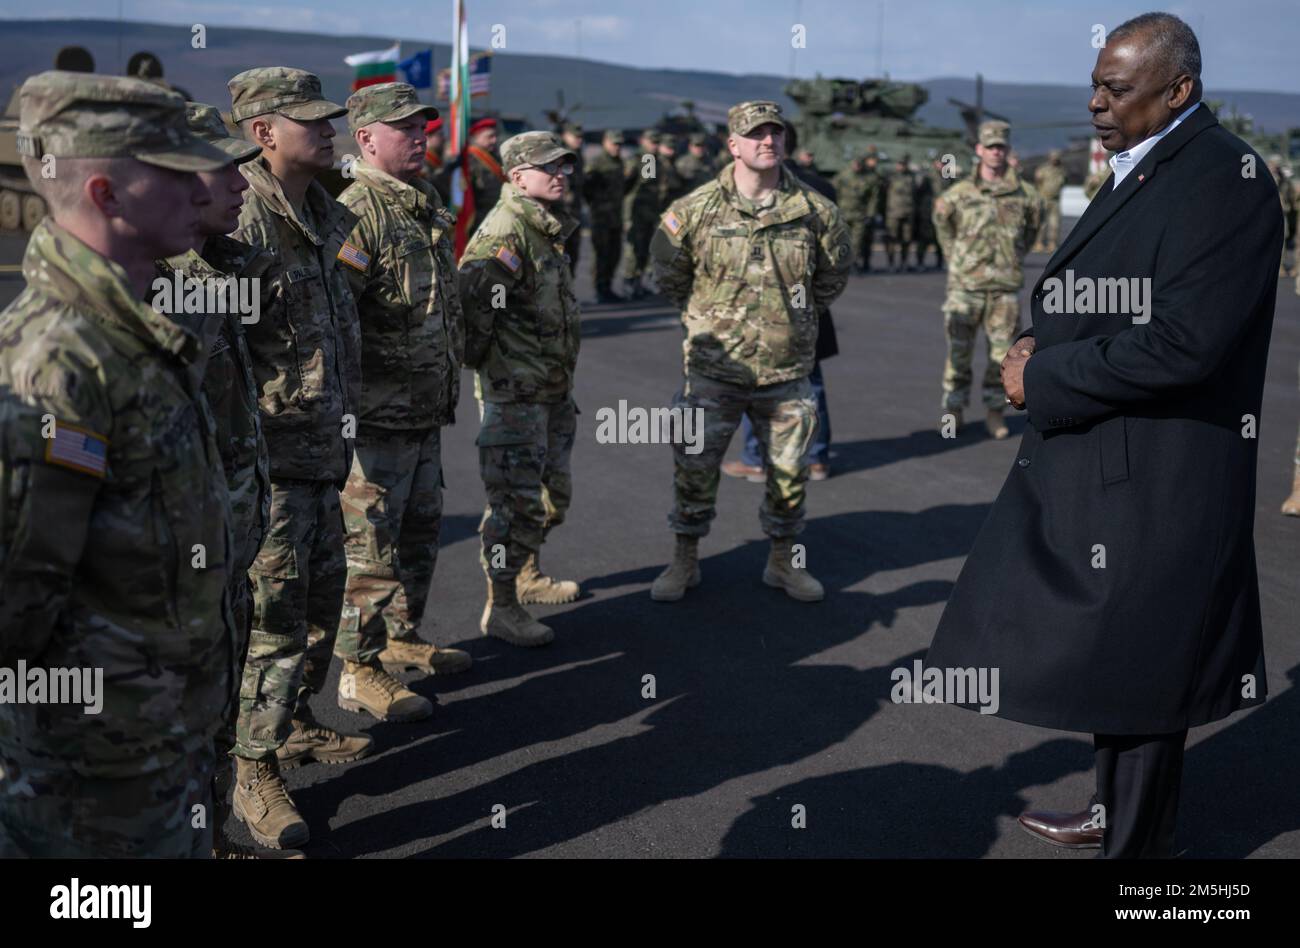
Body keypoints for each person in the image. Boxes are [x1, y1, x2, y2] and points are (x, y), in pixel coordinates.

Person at [926, 12, 1283, 859]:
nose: (1095, 102)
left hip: (1161, 468)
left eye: (1115, 88)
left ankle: (1136, 852)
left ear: (1179, 89)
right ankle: (1111, 807)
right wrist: (1035, 342)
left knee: (1147, 662)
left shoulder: (1223, 179)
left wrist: (1038, 378)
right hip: (1106, 451)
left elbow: (1186, 343)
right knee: (1116, 654)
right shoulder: (1155, 164)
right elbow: (1115, 293)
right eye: (1095, 83)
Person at [0, 71, 238, 858]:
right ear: (106, 193)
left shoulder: (133, 323)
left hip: (165, 744)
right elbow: (17, 608)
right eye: (174, 171)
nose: (198, 189)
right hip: (94, 782)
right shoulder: (59, 361)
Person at [227, 66, 371, 850]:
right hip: (273, 465)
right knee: (272, 625)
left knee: (320, 611)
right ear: (262, 132)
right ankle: (252, 771)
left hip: (329, 451)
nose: (329, 130)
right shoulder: (238, 223)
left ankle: (293, 724)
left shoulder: (329, 214)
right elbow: (215, 351)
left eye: (330, 118)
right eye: (310, 120)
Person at [153, 102, 287, 858]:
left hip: (228, 534)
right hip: (173, 561)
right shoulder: (156, 285)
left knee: (216, 701)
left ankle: (209, 837)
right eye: (222, 167)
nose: (244, 182)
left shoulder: (222, 267)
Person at [649, 101, 849, 603]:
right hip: (714, 372)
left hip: (786, 373)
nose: (767, 142)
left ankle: (782, 563)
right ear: (732, 145)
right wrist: (710, 319)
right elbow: (670, 276)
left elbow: (832, 276)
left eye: (775, 134)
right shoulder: (692, 210)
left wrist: (791, 321)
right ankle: (685, 560)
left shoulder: (815, 211)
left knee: (789, 478)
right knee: (693, 468)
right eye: (754, 134)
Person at [334, 82, 473, 727]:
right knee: (370, 552)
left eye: (424, 126)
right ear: (366, 138)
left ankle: (399, 638)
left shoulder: (420, 202)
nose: (421, 136)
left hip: (423, 411)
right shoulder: (357, 210)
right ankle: (358, 672)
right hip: (377, 417)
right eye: (405, 128)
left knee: (418, 537)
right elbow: (338, 320)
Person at [459, 131, 583, 647]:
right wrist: (504, 372)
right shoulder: (505, 233)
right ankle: (502, 605)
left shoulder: (543, 228)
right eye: (547, 166)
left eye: (564, 166)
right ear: (516, 176)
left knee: (553, 497)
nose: (560, 174)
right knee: (513, 506)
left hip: (551, 390)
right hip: (516, 396)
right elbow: (472, 318)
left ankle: (526, 575)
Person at [725, 120, 839, 482]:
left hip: (761, 309)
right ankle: (816, 457)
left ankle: (756, 458)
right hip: (805, 307)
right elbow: (836, 259)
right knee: (809, 385)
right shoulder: (821, 189)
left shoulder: (737, 192)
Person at [932, 120, 1041, 439]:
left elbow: (1032, 230)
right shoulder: (958, 194)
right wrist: (957, 259)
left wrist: (1013, 258)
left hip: (1004, 290)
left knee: (1001, 358)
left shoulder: (1026, 195)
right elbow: (942, 226)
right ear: (979, 150)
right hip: (965, 289)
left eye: (1001, 147)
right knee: (958, 356)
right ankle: (953, 412)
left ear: (1008, 151)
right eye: (990, 147)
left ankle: (995, 412)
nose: (996, 152)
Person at [583, 129, 630, 302]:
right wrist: (596, 205)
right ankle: (600, 288)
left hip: (616, 216)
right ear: (605, 142)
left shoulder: (619, 162)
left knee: (614, 254)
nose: (617, 147)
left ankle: (608, 286)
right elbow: (586, 188)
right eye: (614, 143)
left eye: (619, 144)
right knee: (601, 254)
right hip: (601, 217)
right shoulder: (597, 162)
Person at [622, 129, 661, 299]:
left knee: (644, 247)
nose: (655, 145)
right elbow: (647, 181)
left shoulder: (651, 158)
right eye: (652, 142)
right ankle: (630, 281)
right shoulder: (647, 158)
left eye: (656, 142)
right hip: (637, 210)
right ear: (643, 141)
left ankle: (637, 282)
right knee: (635, 248)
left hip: (647, 211)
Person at [463, 116, 506, 236]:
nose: (494, 140)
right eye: (489, 137)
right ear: (476, 137)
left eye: (495, 136)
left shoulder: (494, 157)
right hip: (479, 219)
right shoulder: (469, 159)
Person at [559, 122, 586, 275]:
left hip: (574, 212)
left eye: (581, 137)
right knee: (560, 254)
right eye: (575, 137)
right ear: (565, 135)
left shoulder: (578, 156)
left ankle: (568, 290)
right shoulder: (559, 156)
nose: (579, 140)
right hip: (561, 213)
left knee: (573, 254)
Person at [883, 155, 917, 272]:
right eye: (899, 164)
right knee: (891, 239)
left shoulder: (912, 177)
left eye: (903, 164)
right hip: (893, 213)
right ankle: (890, 263)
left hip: (908, 213)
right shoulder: (890, 177)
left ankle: (904, 263)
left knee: (906, 240)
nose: (901, 166)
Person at [1033, 150, 1067, 252]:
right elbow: (1037, 181)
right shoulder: (1043, 170)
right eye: (1053, 157)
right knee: (1041, 223)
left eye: (1056, 158)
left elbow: (1064, 182)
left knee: (1054, 224)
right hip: (1044, 199)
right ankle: (1038, 243)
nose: (1055, 160)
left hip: (1055, 201)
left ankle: (1052, 243)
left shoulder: (1061, 171)